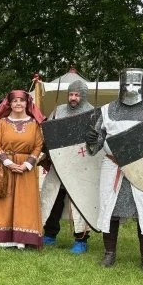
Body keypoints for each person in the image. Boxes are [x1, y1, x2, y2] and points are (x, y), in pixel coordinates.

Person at [86, 68, 143, 274]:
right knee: (110, 209)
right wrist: (92, 140)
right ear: (121, 85)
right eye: (127, 84)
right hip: (114, 166)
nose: (131, 89)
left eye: (136, 84)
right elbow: (95, 146)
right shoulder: (106, 110)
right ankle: (109, 253)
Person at [0, 90, 45, 249]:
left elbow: (38, 145)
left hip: (25, 168)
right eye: (15, 101)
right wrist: (8, 162)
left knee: (23, 202)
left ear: (27, 103)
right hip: (4, 166)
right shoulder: (2, 123)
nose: (18, 104)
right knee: (1, 200)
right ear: (10, 104)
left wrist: (27, 164)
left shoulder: (34, 124)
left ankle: (21, 237)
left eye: (22, 100)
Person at [40, 79, 93, 253]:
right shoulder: (59, 111)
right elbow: (47, 132)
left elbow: (96, 140)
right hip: (59, 163)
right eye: (71, 94)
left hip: (80, 165)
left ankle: (81, 239)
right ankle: (49, 234)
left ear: (83, 96)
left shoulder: (91, 112)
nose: (73, 98)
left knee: (79, 202)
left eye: (77, 95)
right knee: (52, 198)